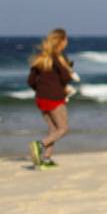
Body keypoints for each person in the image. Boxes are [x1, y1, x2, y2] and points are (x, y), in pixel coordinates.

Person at [26, 28, 76, 169]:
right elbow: (65, 77)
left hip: (41, 99)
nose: (67, 42)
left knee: (53, 129)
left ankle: (46, 159)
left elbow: (31, 81)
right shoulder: (57, 57)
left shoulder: (41, 58)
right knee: (63, 129)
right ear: (61, 41)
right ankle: (39, 145)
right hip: (54, 99)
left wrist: (42, 90)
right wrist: (68, 73)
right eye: (66, 39)